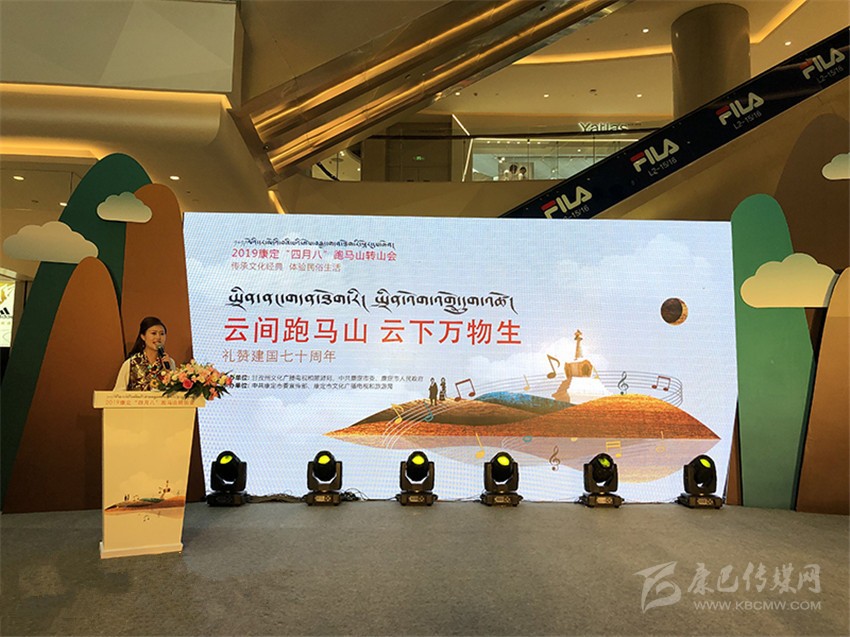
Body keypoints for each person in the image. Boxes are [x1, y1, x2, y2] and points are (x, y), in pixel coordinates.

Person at [113, 316, 175, 391]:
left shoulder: (169, 362)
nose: (158, 337)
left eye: (162, 334)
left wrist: (168, 371)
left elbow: (174, 392)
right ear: (143, 336)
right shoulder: (131, 363)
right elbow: (118, 392)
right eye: (154, 333)